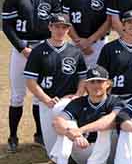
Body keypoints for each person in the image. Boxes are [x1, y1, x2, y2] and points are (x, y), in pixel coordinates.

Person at [3, 0, 62, 152]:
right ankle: (12, 136)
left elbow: (59, 25)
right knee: (18, 95)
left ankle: (39, 134)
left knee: (40, 95)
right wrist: (22, 48)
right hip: (22, 48)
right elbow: (7, 26)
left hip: (44, 49)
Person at [48, 66, 121, 164]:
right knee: (67, 124)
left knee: (105, 127)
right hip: (82, 149)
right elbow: (57, 122)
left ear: (108, 84)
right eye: (92, 81)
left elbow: (108, 121)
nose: (95, 85)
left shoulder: (115, 102)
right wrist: (72, 133)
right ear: (86, 85)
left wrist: (81, 130)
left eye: (100, 81)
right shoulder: (78, 102)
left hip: (108, 154)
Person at [24, 13, 87, 155]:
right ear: (50, 27)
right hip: (48, 102)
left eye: (64, 27)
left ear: (68, 29)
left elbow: (83, 77)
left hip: (69, 102)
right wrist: (46, 99)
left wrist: (78, 95)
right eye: (57, 26)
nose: (60, 30)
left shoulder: (75, 51)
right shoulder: (38, 51)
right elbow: (30, 81)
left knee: (72, 146)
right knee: (51, 151)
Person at [97, 10, 132, 100]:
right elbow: (100, 75)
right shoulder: (109, 48)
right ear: (123, 25)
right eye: (129, 22)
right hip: (115, 97)